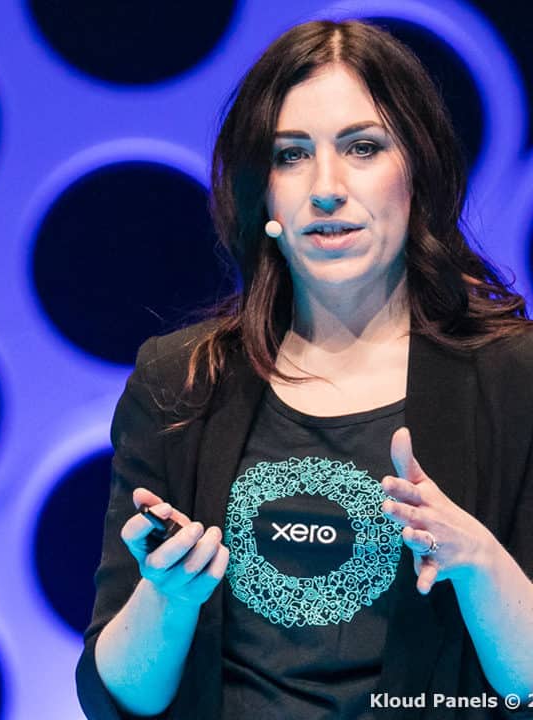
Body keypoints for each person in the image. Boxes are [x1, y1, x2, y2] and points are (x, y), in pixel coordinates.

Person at [76, 18, 533, 720]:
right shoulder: (182, 383)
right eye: (291, 156)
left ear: (418, 171)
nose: (326, 187)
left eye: (362, 147)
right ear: (264, 198)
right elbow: (120, 698)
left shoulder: (513, 380)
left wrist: (479, 562)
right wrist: (167, 600)